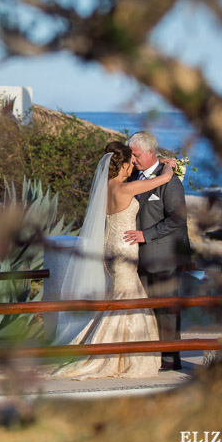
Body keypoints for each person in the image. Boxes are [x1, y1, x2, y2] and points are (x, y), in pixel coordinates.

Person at [51, 142, 178, 380]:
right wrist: (168, 165)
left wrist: (157, 163)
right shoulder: (125, 189)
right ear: (122, 165)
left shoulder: (106, 188)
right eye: (130, 163)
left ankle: (109, 350)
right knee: (127, 297)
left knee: (117, 295)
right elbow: (163, 180)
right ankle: (119, 356)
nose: (132, 167)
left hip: (107, 249)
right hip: (123, 249)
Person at [123, 130, 192, 372]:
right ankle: (151, 355)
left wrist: (146, 235)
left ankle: (170, 359)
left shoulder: (170, 182)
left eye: (136, 154)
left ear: (150, 152)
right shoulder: (132, 179)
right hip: (139, 259)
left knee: (167, 309)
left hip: (165, 257)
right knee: (147, 309)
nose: (134, 159)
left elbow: (178, 219)